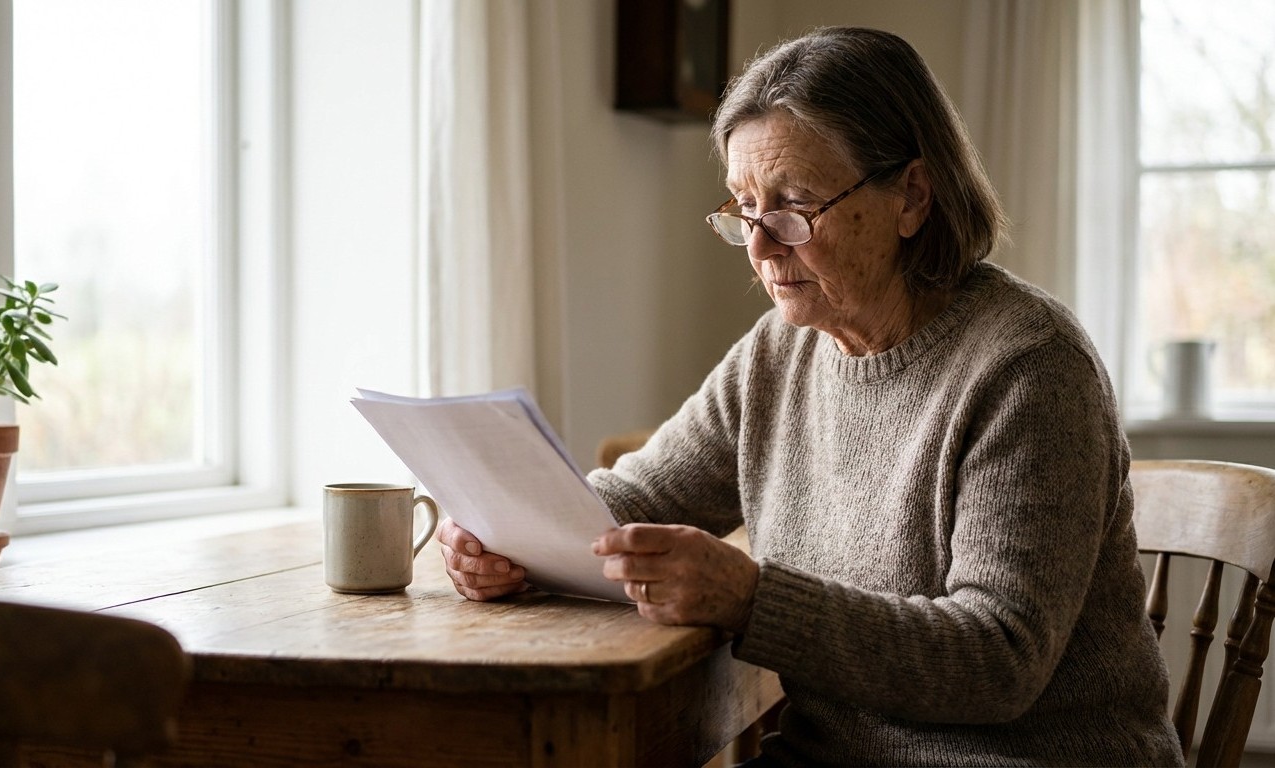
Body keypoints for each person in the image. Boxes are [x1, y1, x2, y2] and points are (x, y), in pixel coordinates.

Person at [439, 26, 1183, 767]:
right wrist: (508, 535)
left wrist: (751, 600)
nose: (760, 246)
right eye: (743, 208)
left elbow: (997, 661)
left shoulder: (1027, 366)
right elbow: (632, 501)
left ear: (911, 197)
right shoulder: (779, 350)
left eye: (792, 207)